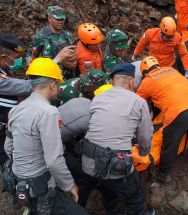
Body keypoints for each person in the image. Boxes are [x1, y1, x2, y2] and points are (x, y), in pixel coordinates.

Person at [4, 58, 89, 215]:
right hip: (39, 186)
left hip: (18, 183)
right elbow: (54, 159)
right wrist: (70, 185)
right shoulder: (49, 112)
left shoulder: (16, 109)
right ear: (53, 85)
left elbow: (8, 147)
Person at [78, 63, 153, 214]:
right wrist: (144, 152)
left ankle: (114, 209)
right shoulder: (138, 101)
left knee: (108, 190)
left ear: (112, 81)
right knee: (136, 196)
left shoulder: (98, 98)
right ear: (131, 81)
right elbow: (145, 135)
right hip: (114, 166)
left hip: (87, 161)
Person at [137, 56, 188, 182]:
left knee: (170, 142)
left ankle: (164, 174)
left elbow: (136, 103)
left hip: (180, 112)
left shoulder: (147, 81)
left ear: (144, 72)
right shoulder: (171, 70)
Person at [0, 32, 33, 166]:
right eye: (17, 58)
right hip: (2, 132)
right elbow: (28, 87)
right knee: (8, 161)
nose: (19, 60)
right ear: (3, 57)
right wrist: (55, 62)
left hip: (7, 124)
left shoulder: (4, 68)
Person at [30, 5, 77, 79]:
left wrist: (72, 62)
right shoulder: (40, 37)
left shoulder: (67, 36)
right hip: (49, 78)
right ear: (49, 19)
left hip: (67, 78)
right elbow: (30, 60)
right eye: (57, 19)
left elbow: (71, 55)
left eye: (62, 19)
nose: (60, 22)